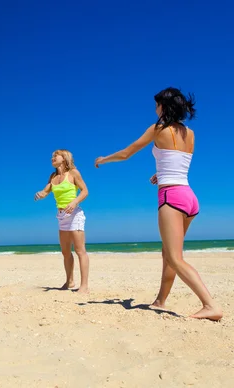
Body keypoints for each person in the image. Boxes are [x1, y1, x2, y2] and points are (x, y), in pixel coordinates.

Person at [94, 87, 222, 321]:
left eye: (157, 105)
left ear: (164, 106)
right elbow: (177, 162)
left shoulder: (157, 129)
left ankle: (210, 304)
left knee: (174, 258)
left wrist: (104, 159)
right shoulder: (190, 133)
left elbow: (126, 153)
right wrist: (159, 174)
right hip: (189, 197)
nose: (155, 109)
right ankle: (161, 301)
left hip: (171, 198)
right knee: (169, 254)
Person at [35, 149, 90, 293]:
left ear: (64, 158)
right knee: (65, 251)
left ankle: (84, 286)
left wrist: (75, 202)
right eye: (52, 155)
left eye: (55, 156)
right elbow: (46, 191)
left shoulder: (73, 173)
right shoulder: (53, 176)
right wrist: (40, 194)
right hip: (61, 216)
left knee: (80, 250)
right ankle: (69, 281)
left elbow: (85, 191)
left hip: (74, 214)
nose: (52, 157)